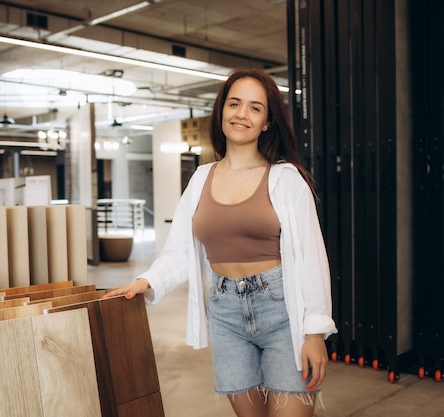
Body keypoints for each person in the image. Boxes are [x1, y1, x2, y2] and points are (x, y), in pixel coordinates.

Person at [105, 68, 338, 417]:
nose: (242, 114)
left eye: (255, 108)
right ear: (221, 112)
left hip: (283, 313)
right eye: (234, 103)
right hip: (226, 314)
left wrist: (316, 332)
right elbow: (179, 251)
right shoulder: (200, 179)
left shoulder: (286, 178)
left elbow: (311, 257)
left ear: (267, 122)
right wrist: (146, 282)